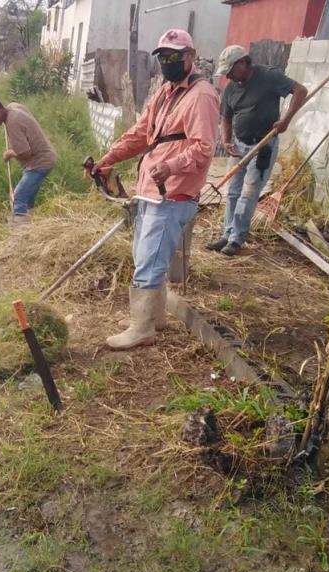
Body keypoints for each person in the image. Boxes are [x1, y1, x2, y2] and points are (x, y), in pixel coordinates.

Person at [87, 29, 219, 350]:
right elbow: (140, 133)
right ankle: (154, 316)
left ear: (191, 56)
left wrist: (171, 166)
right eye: (162, 57)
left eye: (174, 56)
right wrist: (106, 160)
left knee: (149, 258)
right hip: (150, 190)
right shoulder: (165, 91)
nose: (167, 62)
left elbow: (204, 148)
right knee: (144, 254)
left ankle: (142, 328)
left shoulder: (201, 96)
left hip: (173, 193)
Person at [206, 45, 308, 256]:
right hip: (239, 145)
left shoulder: (268, 76)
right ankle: (227, 234)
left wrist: (285, 120)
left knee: (249, 192)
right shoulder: (231, 88)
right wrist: (226, 141)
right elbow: (226, 117)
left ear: (243, 62)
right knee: (233, 192)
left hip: (263, 145)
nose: (228, 76)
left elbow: (300, 91)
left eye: (231, 70)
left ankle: (237, 239)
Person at [0, 96, 57, 225]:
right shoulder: (13, 107)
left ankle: (18, 233)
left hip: (40, 163)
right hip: (44, 157)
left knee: (19, 197)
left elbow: (25, 154)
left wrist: (10, 153)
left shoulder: (13, 122)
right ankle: (28, 225)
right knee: (28, 197)